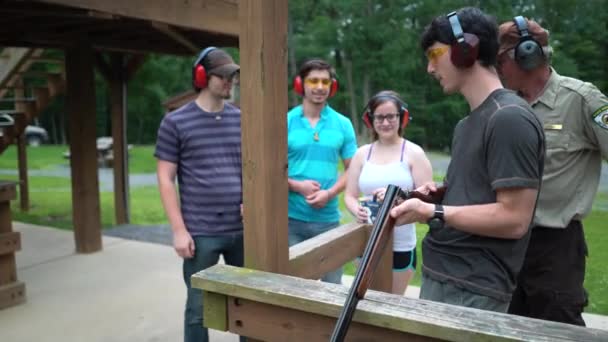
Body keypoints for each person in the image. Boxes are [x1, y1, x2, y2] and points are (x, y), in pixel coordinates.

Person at [390, 7, 545, 312]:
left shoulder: (508, 119)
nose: (430, 68)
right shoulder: (468, 124)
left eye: (434, 54)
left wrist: (433, 211)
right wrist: (437, 194)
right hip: (447, 276)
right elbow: (477, 194)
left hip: (472, 287)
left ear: (466, 50)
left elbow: (514, 219)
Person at [497, 17, 608, 326]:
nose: (497, 69)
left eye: (500, 59)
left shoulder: (582, 100)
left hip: (556, 247)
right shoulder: (504, 105)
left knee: (557, 329)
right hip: (507, 240)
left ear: (527, 55)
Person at [155, 47, 245, 342]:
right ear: (202, 76)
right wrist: (179, 231)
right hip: (201, 232)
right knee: (198, 310)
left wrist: (251, 201)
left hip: (242, 230)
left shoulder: (241, 119)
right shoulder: (176, 122)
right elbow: (165, 179)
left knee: (252, 306)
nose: (229, 82)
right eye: (223, 76)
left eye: (232, 76)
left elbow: (250, 169)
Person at [344, 90, 433, 294]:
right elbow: (349, 195)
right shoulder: (361, 154)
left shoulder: (414, 153)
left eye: (391, 116)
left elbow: (428, 197)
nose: (385, 122)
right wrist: (356, 209)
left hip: (400, 243)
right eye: (379, 117)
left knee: (392, 302)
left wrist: (400, 197)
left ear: (401, 118)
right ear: (370, 119)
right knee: (365, 299)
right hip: (366, 240)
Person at [287, 59, 358, 284]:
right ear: (301, 84)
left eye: (325, 81)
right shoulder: (284, 121)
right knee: (293, 288)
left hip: (328, 222)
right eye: (313, 80)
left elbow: (352, 170)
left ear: (332, 86)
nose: (320, 86)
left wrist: (329, 193)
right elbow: (270, 170)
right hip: (291, 220)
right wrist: (296, 186)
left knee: (332, 291)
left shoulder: (343, 124)